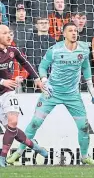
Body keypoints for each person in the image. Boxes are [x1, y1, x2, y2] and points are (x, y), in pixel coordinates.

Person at [7, 23, 94, 166]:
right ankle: (18, 153)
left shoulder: (83, 49)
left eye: (75, 31)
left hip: (72, 95)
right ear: (64, 34)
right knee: (35, 123)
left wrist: (90, 87)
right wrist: (44, 80)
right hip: (52, 92)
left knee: (83, 126)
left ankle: (85, 156)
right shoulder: (55, 50)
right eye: (70, 31)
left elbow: (86, 66)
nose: (74, 33)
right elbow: (43, 66)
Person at [0, 25, 47, 167]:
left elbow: (25, 63)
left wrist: (37, 78)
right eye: (5, 33)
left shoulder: (12, 50)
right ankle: (35, 146)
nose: (9, 36)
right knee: (10, 128)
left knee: (13, 122)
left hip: (7, 93)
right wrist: (2, 81)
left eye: (10, 33)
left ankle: (2, 157)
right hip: (3, 86)